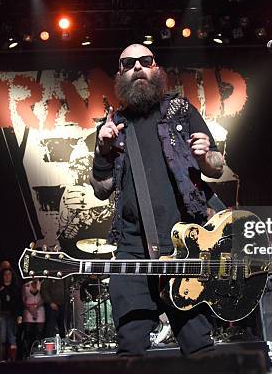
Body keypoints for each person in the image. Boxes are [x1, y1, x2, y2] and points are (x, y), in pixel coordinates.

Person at [89, 44, 224, 356]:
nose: (138, 67)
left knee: (198, 344)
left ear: (156, 68)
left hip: (185, 248)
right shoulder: (112, 126)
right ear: (120, 74)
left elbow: (216, 167)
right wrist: (102, 151)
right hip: (133, 251)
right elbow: (101, 188)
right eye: (128, 63)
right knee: (131, 347)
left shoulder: (181, 110)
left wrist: (206, 157)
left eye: (145, 61)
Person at [0, 268, 22, 361]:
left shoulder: (15, 288)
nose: (7, 276)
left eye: (9, 274)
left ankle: (12, 359)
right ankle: (3, 358)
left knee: (12, 337)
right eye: (5, 274)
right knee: (3, 337)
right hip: (2, 314)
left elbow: (19, 302)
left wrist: (20, 316)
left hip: (13, 315)